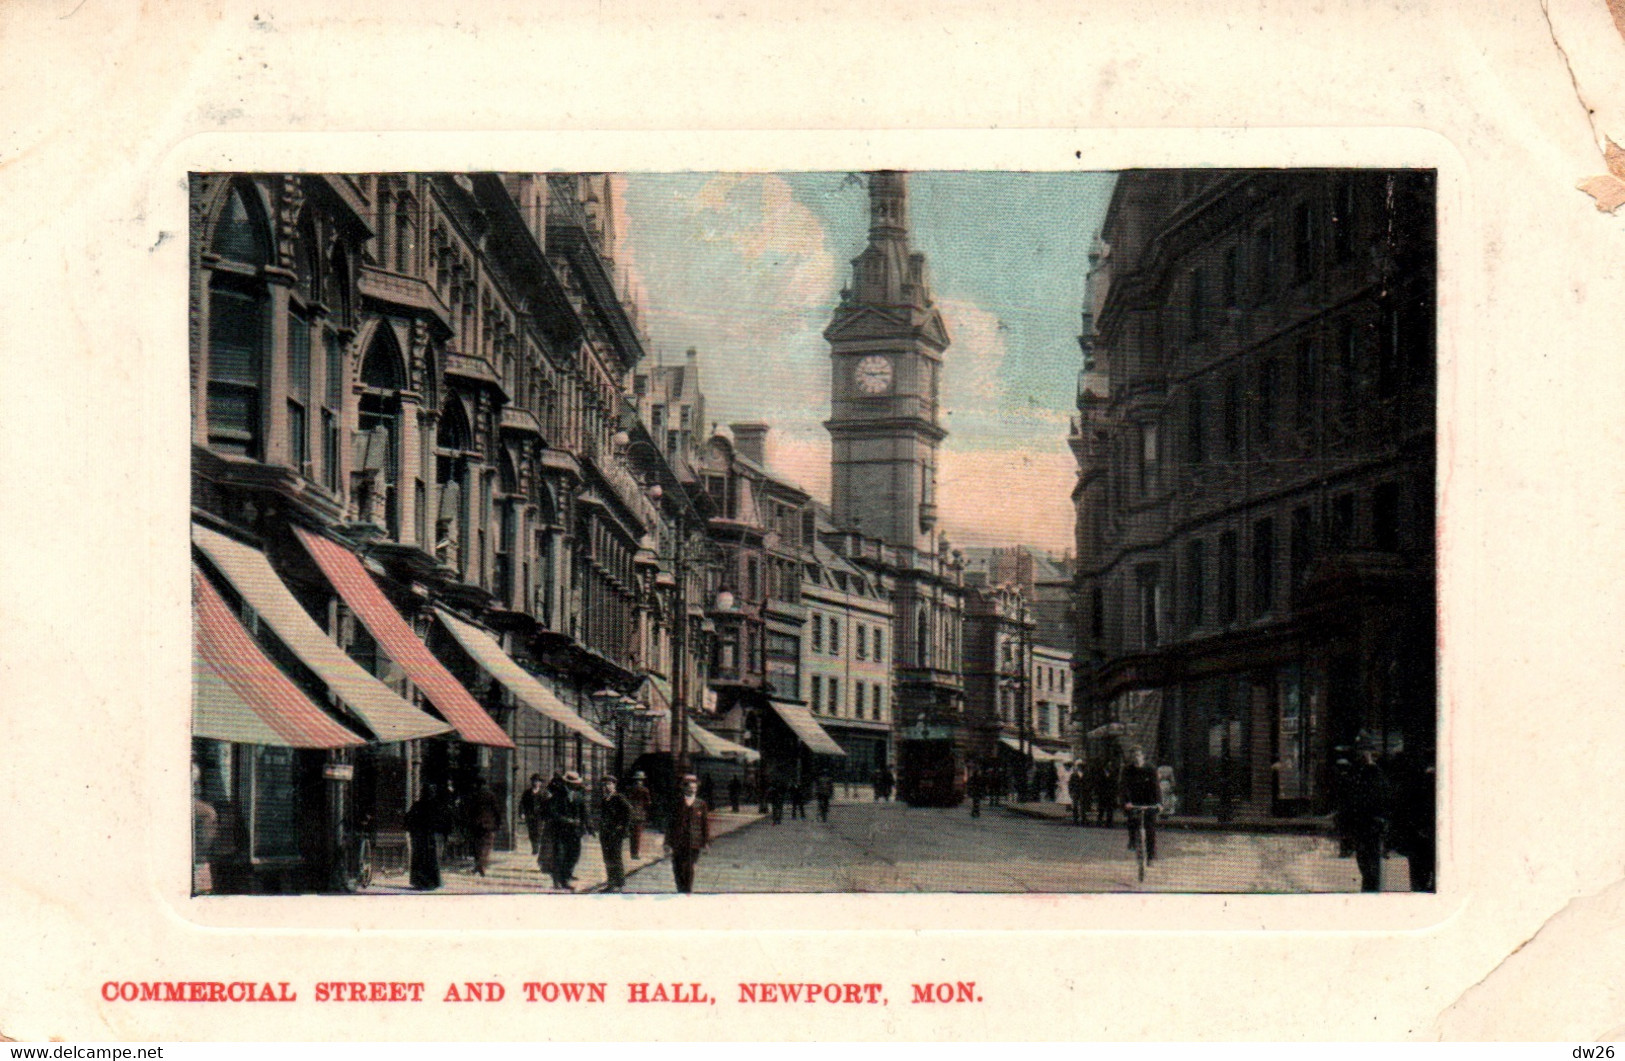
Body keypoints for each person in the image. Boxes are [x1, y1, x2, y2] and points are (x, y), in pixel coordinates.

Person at [1344, 745, 1393, 892]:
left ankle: (1369, 884)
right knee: (1372, 857)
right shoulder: (1379, 779)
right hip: (1374, 823)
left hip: (1362, 824)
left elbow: (1351, 803)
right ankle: (1371, 885)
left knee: (1365, 858)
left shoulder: (1357, 779)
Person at [664, 774, 710, 893]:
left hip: (694, 841)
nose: (692, 790)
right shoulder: (676, 803)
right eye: (690, 787)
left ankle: (687, 891)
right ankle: (680, 889)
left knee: (689, 867)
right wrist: (667, 842)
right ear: (684, 788)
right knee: (677, 866)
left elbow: (705, 824)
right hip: (678, 840)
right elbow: (670, 824)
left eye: (694, 788)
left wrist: (705, 842)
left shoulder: (701, 804)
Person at [1120, 746, 1161, 863]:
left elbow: (1156, 787)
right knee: (1132, 821)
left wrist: (1159, 803)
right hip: (1133, 801)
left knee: (1151, 830)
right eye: (1133, 756)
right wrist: (1126, 802)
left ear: (1143, 756)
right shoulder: (1127, 770)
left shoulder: (1151, 769)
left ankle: (1151, 856)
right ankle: (1132, 840)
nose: (1136, 758)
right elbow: (1123, 787)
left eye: (1138, 755)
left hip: (1149, 801)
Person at [548, 771, 587, 890]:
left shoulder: (579, 795)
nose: (574, 785)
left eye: (575, 783)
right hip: (560, 830)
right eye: (571, 783)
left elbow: (583, 812)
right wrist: (567, 820)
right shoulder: (558, 795)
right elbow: (553, 812)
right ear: (567, 783)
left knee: (574, 855)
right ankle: (559, 880)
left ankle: (566, 877)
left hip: (575, 832)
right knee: (560, 855)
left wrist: (587, 826)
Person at [404, 784, 443, 891]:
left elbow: (408, 820)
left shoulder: (417, 805)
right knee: (430, 859)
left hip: (418, 837)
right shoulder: (435, 806)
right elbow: (439, 822)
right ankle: (431, 882)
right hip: (429, 837)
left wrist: (412, 830)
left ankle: (419, 881)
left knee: (419, 859)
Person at [597, 776, 633, 892]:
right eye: (604, 785)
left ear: (614, 785)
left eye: (608, 784)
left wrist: (623, 827)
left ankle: (617, 883)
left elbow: (629, 810)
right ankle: (613, 882)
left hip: (615, 833)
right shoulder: (604, 799)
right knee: (607, 857)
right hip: (605, 832)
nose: (606, 787)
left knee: (615, 857)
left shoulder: (618, 797)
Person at [466, 777, 502, 877]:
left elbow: (469, 810)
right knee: (486, 846)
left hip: (476, 824)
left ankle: (478, 866)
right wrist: (498, 823)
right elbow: (496, 811)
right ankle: (481, 866)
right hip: (488, 824)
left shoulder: (473, 795)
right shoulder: (491, 795)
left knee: (477, 846)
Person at [519, 773, 549, 857]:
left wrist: (546, 814)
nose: (536, 783)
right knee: (531, 833)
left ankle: (536, 849)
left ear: (540, 783)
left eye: (538, 781)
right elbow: (522, 803)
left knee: (538, 832)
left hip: (540, 816)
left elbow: (547, 805)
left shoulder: (543, 793)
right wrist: (522, 813)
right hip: (530, 815)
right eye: (534, 781)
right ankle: (534, 847)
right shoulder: (527, 793)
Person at [625, 771, 652, 860]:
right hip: (640, 815)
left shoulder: (629, 789)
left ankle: (633, 852)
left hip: (630, 814)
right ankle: (635, 853)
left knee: (632, 835)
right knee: (637, 835)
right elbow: (648, 803)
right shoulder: (644, 790)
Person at [1094, 756, 1117, 828]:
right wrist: (1098, 793)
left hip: (1110, 794)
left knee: (1110, 809)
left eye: (1110, 765)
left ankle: (1109, 823)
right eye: (1108, 765)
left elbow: (1115, 784)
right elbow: (1097, 784)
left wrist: (1114, 793)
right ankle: (1099, 822)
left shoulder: (1113, 773)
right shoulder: (1100, 773)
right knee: (1101, 809)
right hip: (1102, 794)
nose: (1110, 766)